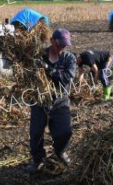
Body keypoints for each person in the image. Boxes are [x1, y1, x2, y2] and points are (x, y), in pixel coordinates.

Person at [26, 29, 77, 172]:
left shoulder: (69, 58)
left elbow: (67, 78)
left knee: (65, 132)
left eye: (65, 45)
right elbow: (28, 74)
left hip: (60, 100)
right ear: (52, 40)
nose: (63, 47)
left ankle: (60, 152)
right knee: (36, 133)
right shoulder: (39, 56)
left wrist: (49, 70)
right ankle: (37, 160)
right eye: (60, 44)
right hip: (39, 100)